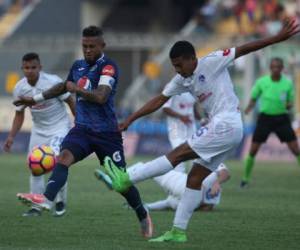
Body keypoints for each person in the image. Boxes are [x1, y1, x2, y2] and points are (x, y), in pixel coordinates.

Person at [102, 19, 299, 242]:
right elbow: (159, 100)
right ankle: (178, 231)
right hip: (226, 128)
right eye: (174, 66)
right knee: (194, 178)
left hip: (227, 123)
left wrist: (277, 38)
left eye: (179, 65)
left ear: (192, 59)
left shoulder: (213, 60)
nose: (177, 70)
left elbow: (244, 49)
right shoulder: (182, 79)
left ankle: (127, 178)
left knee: (177, 155)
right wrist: (130, 118)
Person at [14, 26, 153, 238]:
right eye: (84, 46)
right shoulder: (78, 65)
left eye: (91, 46)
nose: (87, 50)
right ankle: (47, 199)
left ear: (102, 46)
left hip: (107, 134)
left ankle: (142, 213)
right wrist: (34, 99)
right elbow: (62, 87)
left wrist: (76, 89)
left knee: (121, 183)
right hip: (82, 130)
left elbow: (101, 96)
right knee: (63, 158)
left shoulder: (108, 67)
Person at [3, 52, 75, 217]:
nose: (30, 70)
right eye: (26, 68)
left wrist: (79, 123)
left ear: (40, 68)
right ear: (22, 69)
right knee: (34, 167)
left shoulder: (53, 82)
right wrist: (12, 136)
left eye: (33, 67)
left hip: (59, 127)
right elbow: (19, 113)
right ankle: (36, 207)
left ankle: (60, 202)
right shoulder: (19, 88)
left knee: (59, 164)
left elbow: (70, 100)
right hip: (39, 130)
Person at [241, 57, 300, 187]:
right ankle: (245, 179)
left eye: (278, 67)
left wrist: (289, 105)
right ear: (270, 68)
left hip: (282, 118)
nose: (276, 69)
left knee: (295, 149)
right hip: (265, 118)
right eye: (273, 67)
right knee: (253, 150)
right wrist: (248, 108)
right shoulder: (262, 82)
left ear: (282, 69)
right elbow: (254, 97)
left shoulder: (287, 83)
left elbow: (290, 100)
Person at [96, 163, 230, 211]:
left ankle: (113, 180)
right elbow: (207, 208)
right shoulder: (215, 196)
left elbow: (225, 172)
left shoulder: (215, 159)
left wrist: (217, 182)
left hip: (183, 185)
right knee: (168, 203)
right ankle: (143, 207)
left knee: (147, 168)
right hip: (190, 202)